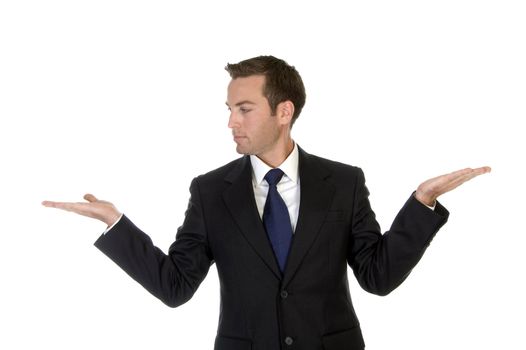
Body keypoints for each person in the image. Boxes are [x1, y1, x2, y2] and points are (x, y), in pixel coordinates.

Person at [42, 55, 490, 350]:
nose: (231, 121)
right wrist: (115, 223)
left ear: (284, 111)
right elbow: (175, 287)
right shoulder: (210, 191)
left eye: (244, 108)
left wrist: (422, 203)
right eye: (229, 108)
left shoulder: (344, 182)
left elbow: (378, 276)